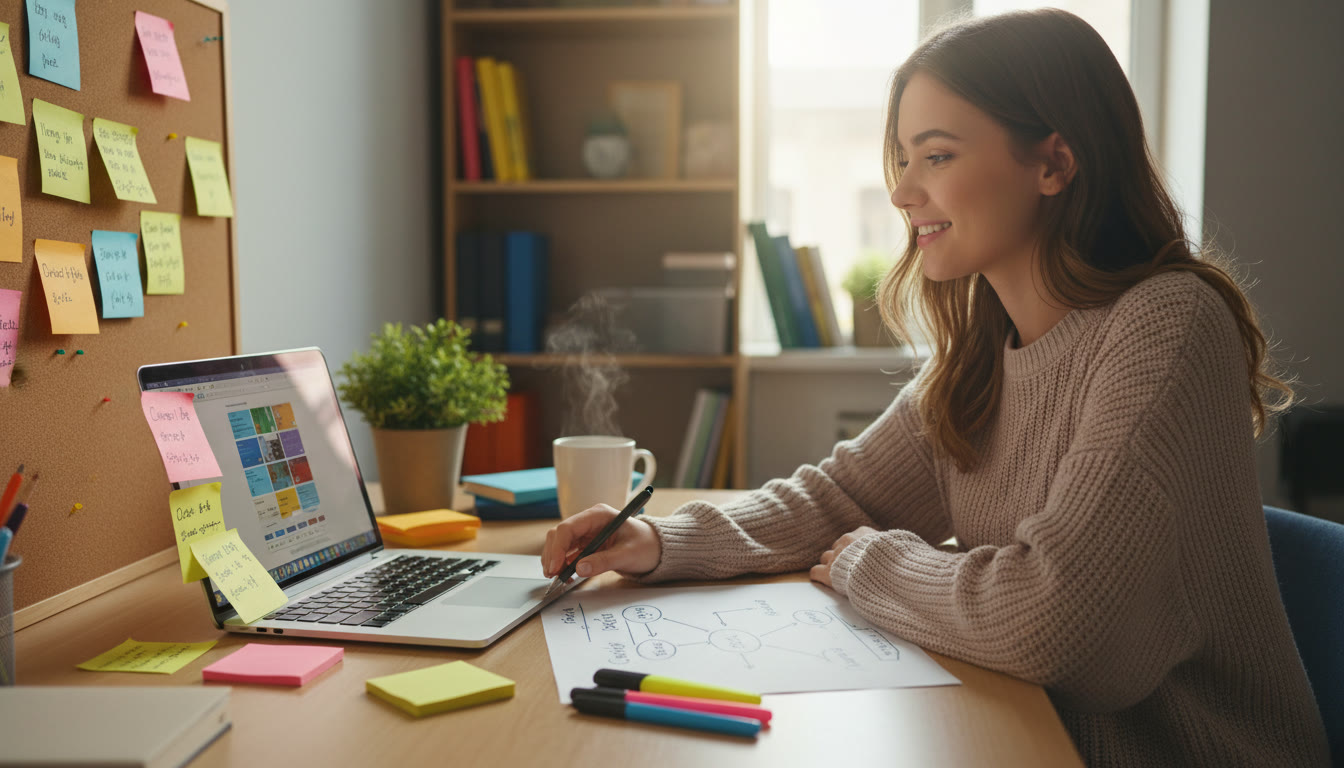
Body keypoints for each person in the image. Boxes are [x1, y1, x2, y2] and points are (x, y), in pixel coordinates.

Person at [541, 9, 1329, 767]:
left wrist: (873, 564)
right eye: (904, 158)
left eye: (938, 156)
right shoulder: (981, 348)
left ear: (1053, 163)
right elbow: (838, 499)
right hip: (1018, 733)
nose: (902, 190)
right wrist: (658, 541)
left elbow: (1058, 622)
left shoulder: (1167, 325)